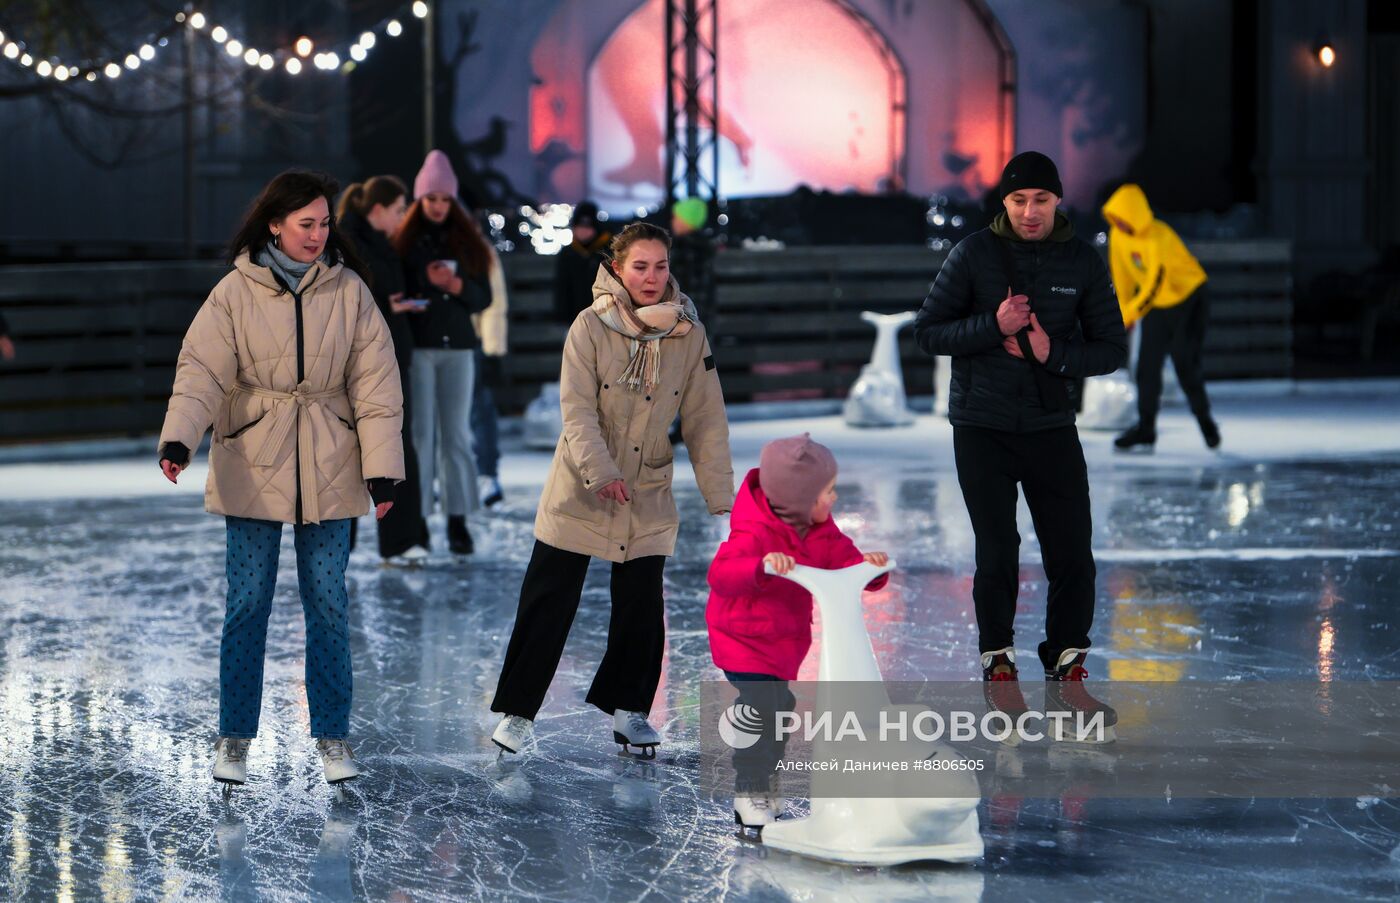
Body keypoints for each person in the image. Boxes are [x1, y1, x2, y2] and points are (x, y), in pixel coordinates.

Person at [157, 170, 404, 787]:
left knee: (328, 604)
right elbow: (201, 373)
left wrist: (382, 473)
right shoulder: (233, 295)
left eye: (325, 224)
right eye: (306, 225)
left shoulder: (349, 292)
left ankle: (333, 737)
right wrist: (180, 438)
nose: (319, 235)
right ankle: (234, 737)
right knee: (247, 604)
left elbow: (376, 389)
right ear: (275, 224)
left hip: (329, 463)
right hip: (253, 460)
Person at [489, 222, 734, 757]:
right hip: (583, 480)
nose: (651, 277)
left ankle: (630, 709)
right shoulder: (590, 325)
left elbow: (705, 418)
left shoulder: (688, 334)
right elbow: (575, 410)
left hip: (648, 483)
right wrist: (601, 471)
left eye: (660, 266)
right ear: (617, 269)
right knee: (549, 598)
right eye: (640, 266)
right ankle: (517, 711)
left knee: (642, 601)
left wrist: (721, 496)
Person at [912, 151, 1125, 736]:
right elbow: (927, 331)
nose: (1030, 211)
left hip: (1051, 426)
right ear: (1004, 203)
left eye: (1041, 199)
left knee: (1072, 553)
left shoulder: (1082, 260)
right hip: (981, 427)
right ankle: (998, 666)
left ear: (1058, 201)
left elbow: (1111, 347)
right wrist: (994, 326)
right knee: (998, 551)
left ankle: (1067, 671)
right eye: (1018, 200)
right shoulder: (974, 253)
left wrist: (1052, 353)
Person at [706, 433, 889, 831]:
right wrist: (760, 567)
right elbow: (720, 575)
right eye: (827, 492)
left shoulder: (821, 531)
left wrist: (871, 569)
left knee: (780, 711)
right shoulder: (753, 532)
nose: (834, 498)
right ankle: (749, 790)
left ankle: (767, 780)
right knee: (762, 712)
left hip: (784, 644)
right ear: (798, 499)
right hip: (742, 640)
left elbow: (847, 562)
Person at [394, 150, 494, 555]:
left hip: (458, 350)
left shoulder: (468, 242)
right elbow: (394, 292)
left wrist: (456, 287)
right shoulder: (403, 243)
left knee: (455, 435)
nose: (437, 206)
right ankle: (416, 519)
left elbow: (482, 297)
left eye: (444, 199)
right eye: (431, 198)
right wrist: (421, 291)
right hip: (419, 348)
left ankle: (457, 519)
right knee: (421, 437)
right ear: (420, 200)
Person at [338, 175, 431, 563]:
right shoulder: (346, 243)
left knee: (394, 444)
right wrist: (386, 306)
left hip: (390, 355)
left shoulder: (386, 243)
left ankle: (401, 539)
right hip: (357, 359)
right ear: (377, 210)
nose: (402, 216)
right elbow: (344, 296)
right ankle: (338, 541)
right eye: (397, 209)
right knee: (346, 446)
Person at [1101, 183, 1220, 452]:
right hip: (1156, 304)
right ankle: (1146, 429)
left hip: (1189, 299)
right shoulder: (1118, 236)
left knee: (1184, 362)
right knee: (1147, 367)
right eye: (1115, 218)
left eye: (1124, 217)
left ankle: (1206, 422)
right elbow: (1121, 280)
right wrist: (1122, 314)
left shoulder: (1159, 236)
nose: (1119, 223)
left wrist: (1131, 314)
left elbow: (1154, 282)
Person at [472, 243, 509, 507]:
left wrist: (492, 348)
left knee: (480, 410)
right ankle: (434, 478)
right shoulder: (414, 240)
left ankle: (487, 475)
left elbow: (494, 299)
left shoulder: (478, 247)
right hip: (430, 340)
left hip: (472, 340)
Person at [552, 201, 613, 323]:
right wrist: (562, 316)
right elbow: (562, 287)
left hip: (605, 317)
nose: (583, 231)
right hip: (575, 318)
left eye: (588, 226)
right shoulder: (568, 253)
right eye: (579, 226)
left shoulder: (607, 251)